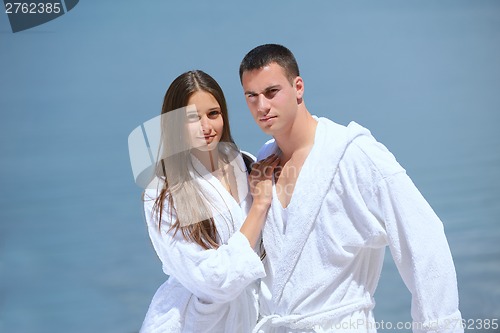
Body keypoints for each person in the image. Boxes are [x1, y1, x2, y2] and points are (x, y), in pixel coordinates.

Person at [239, 44, 463, 333]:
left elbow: (423, 237)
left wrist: (437, 327)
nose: (262, 106)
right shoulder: (262, 163)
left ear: (298, 87)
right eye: (251, 96)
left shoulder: (353, 154)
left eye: (271, 92)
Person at [138, 70, 279, 333]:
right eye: (192, 118)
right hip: (191, 322)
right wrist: (259, 206)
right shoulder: (163, 194)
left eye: (213, 114)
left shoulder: (246, 165)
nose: (206, 127)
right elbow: (214, 280)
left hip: (247, 319)